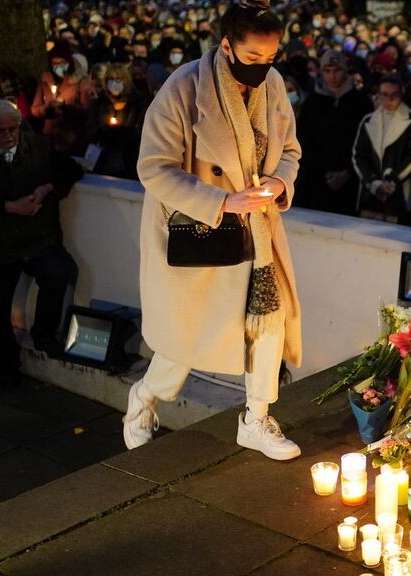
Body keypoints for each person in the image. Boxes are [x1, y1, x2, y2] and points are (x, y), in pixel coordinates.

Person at [127, 0, 304, 460]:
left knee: (269, 323)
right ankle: (143, 399)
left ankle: (256, 417)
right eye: (252, 59)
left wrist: (278, 180)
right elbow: (154, 168)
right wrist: (223, 201)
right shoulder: (183, 88)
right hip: (198, 231)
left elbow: (290, 149)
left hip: (258, 232)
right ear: (226, 46)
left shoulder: (274, 85)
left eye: (271, 58)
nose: (263, 69)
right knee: (186, 337)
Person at [0, 100, 83, 388]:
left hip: (36, 238)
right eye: (1, 131)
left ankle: (44, 336)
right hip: (0, 243)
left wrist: (47, 188)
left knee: (57, 272)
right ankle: (8, 365)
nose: (8, 135)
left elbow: (71, 169)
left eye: (13, 129)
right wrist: (8, 206)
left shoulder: (38, 147)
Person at [295, 50, 372, 215]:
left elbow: (365, 144)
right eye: (327, 71)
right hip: (316, 183)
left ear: (345, 71)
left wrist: (348, 172)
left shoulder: (361, 102)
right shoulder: (311, 104)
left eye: (337, 70)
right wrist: (321, 172)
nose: (332, 76)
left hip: (350, 182)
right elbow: (304, 142)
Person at [352, 74, 411, 224]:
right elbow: (358, 155)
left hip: (400, 194)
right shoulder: (368, 120)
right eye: (385, 94)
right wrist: (372, 181)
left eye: (394, 94)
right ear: (378, 95)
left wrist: (392, 180)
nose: (390, 99)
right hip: (370, 194)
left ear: (401, 94)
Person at [30, 43, 97, 156]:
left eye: (62, 63)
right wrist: (46, 109)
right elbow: (34, 109)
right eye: (55, 63)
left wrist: (65, 106)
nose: (58, 66)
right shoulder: (45, 81)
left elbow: (87, 109)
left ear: (69, 63)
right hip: (49, 134)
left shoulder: (80, 81)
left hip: (71, 134)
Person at [89, 63, 146, 179]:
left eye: (118, 79)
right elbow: (91, 128)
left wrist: (118, 132)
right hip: (102, 158)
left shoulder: (135, 103)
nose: (114, 82)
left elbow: (136, 132)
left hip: (128, 161)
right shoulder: (101, 102)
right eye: (111, 79)